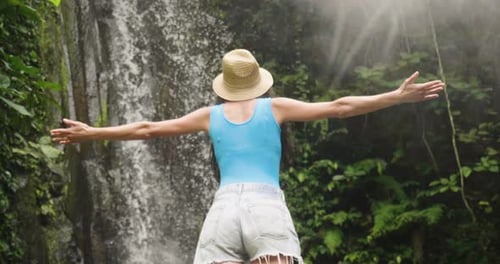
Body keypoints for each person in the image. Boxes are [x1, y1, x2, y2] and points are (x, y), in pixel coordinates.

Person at [50, 49, 444, 264]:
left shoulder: (210, 116)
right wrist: (395, 96)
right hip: (265, 207)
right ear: (258, 81)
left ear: (224, 86)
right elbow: (341, 106)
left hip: (222, 212)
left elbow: (147, 129)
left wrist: (91, 132)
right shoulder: (276, 107)